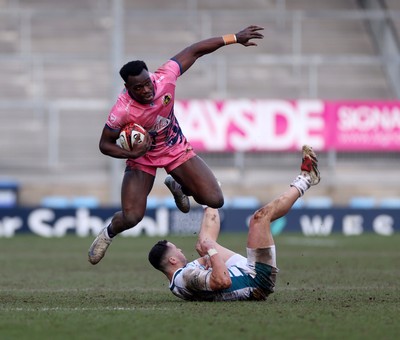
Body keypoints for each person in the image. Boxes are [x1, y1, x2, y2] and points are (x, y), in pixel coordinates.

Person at [88, 25, 265, 265]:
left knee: (215, 200)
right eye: (138, 88)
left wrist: (234, 38)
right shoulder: (122, 110)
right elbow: (104, 145)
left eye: (147, 83)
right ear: (127, 89)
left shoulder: (164, 77)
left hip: (174, 149)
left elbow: (195, 50)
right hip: (142, 158)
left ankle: (177, 183)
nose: (146, 90)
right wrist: (131, 152)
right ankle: (107, 234)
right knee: (132, 217)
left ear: (151, 76)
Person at [148, 145, 320, 301]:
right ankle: (305, 179)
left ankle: (207, 194)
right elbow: (223, 281)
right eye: (176, 249)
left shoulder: (180, 279)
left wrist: (208, 252)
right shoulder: (185, 277)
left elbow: (208, 263)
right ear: (172, 259)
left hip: (244, 273)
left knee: (202, 243)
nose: (179, 249)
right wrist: (212, 252)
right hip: (257, 279)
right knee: (259, 218)